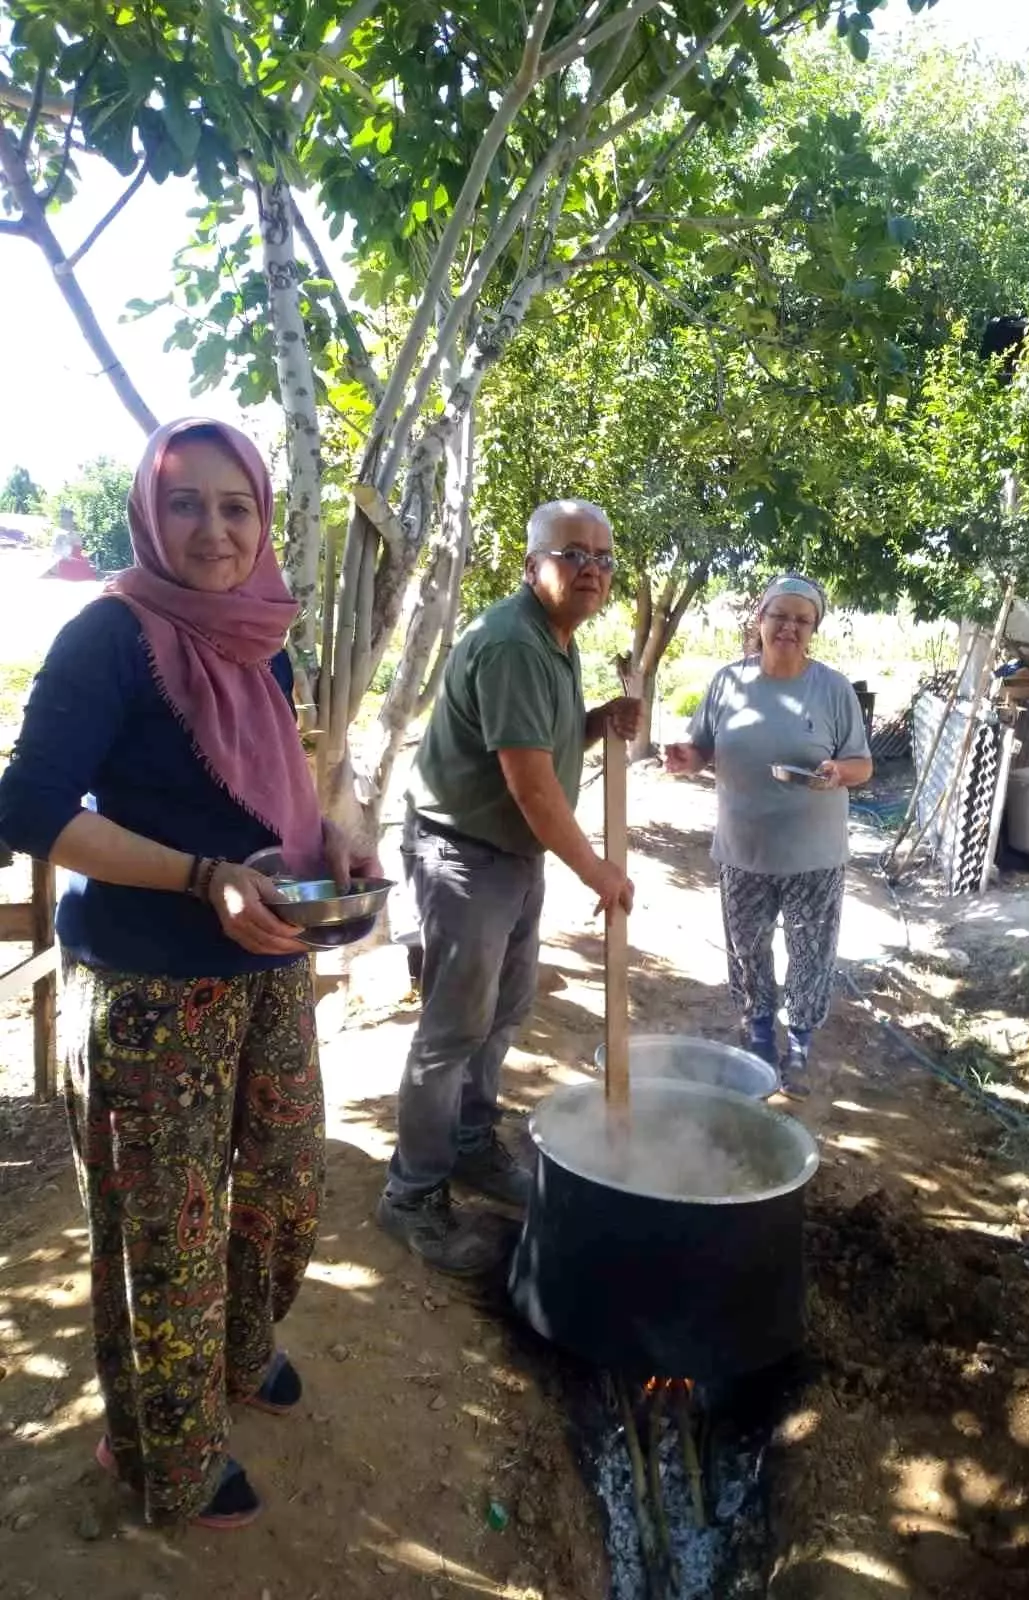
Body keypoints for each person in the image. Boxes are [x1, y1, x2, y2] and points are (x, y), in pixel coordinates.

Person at [0, 418, 371, 1530]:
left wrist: (336, 841)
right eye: (185, 503)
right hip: (149, 985)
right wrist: (200, 876)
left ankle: (241, 1351)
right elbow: (30, 809)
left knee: (284, 1184)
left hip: (266, 959)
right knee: (165, 1230)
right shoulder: (108, 637)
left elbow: (281, 787)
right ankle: (163, 1451)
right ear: (148, 516)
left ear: (265, 519)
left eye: (236, 505)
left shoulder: (264, 639)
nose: (214, 529)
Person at [377, 499, 639, 1275]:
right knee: (453, 1029)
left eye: (603, 557)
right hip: (465, 855)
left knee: (503, 1012)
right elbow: (532, 788)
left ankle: (468, 1144)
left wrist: (596, 720)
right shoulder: (514, 643)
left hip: (511, 856)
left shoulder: (557, 639)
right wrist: (597, 871)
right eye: (573, 553)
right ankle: (411, 1195)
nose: (591, 568)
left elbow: (537, 742)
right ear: (533, 567)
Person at [665, 574, 872, 1097]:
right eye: (779, 615)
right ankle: (758, 1036)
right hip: (744, 851)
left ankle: (799, 1045)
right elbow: (701, 747)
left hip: (814, 856)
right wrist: (687, 758)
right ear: (759, 620)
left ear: (813, 629)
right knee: (748, 949)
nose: (789, 627)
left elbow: (862, 764)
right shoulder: (727, 683)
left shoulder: (832, 689)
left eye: (802, 620)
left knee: (811, 951)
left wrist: (837, 773)